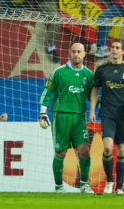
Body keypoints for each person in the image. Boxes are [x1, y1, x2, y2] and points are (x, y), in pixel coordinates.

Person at [89, 38, 124, 195]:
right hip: (107, 114)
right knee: (107, 148)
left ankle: (119, 187)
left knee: (121, 151)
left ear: (123, 51)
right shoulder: (102, 69)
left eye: (117, 48)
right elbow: (94, 90)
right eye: (112, 47)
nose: (114, 50)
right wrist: (92, 110)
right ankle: (109, 182)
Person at [38, 43, 95, 194]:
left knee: (84, 150)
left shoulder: (89, 75)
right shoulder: (59, 72)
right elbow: (46, 92)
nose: (76, 54)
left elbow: (92, 96)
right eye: (74, 51)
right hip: (61, 116)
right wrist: (43, 112)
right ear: (69, 53)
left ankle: (84, 185)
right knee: (61, 152)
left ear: (84, 54)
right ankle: (58, 187)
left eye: (79, 52)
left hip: (79, 118)